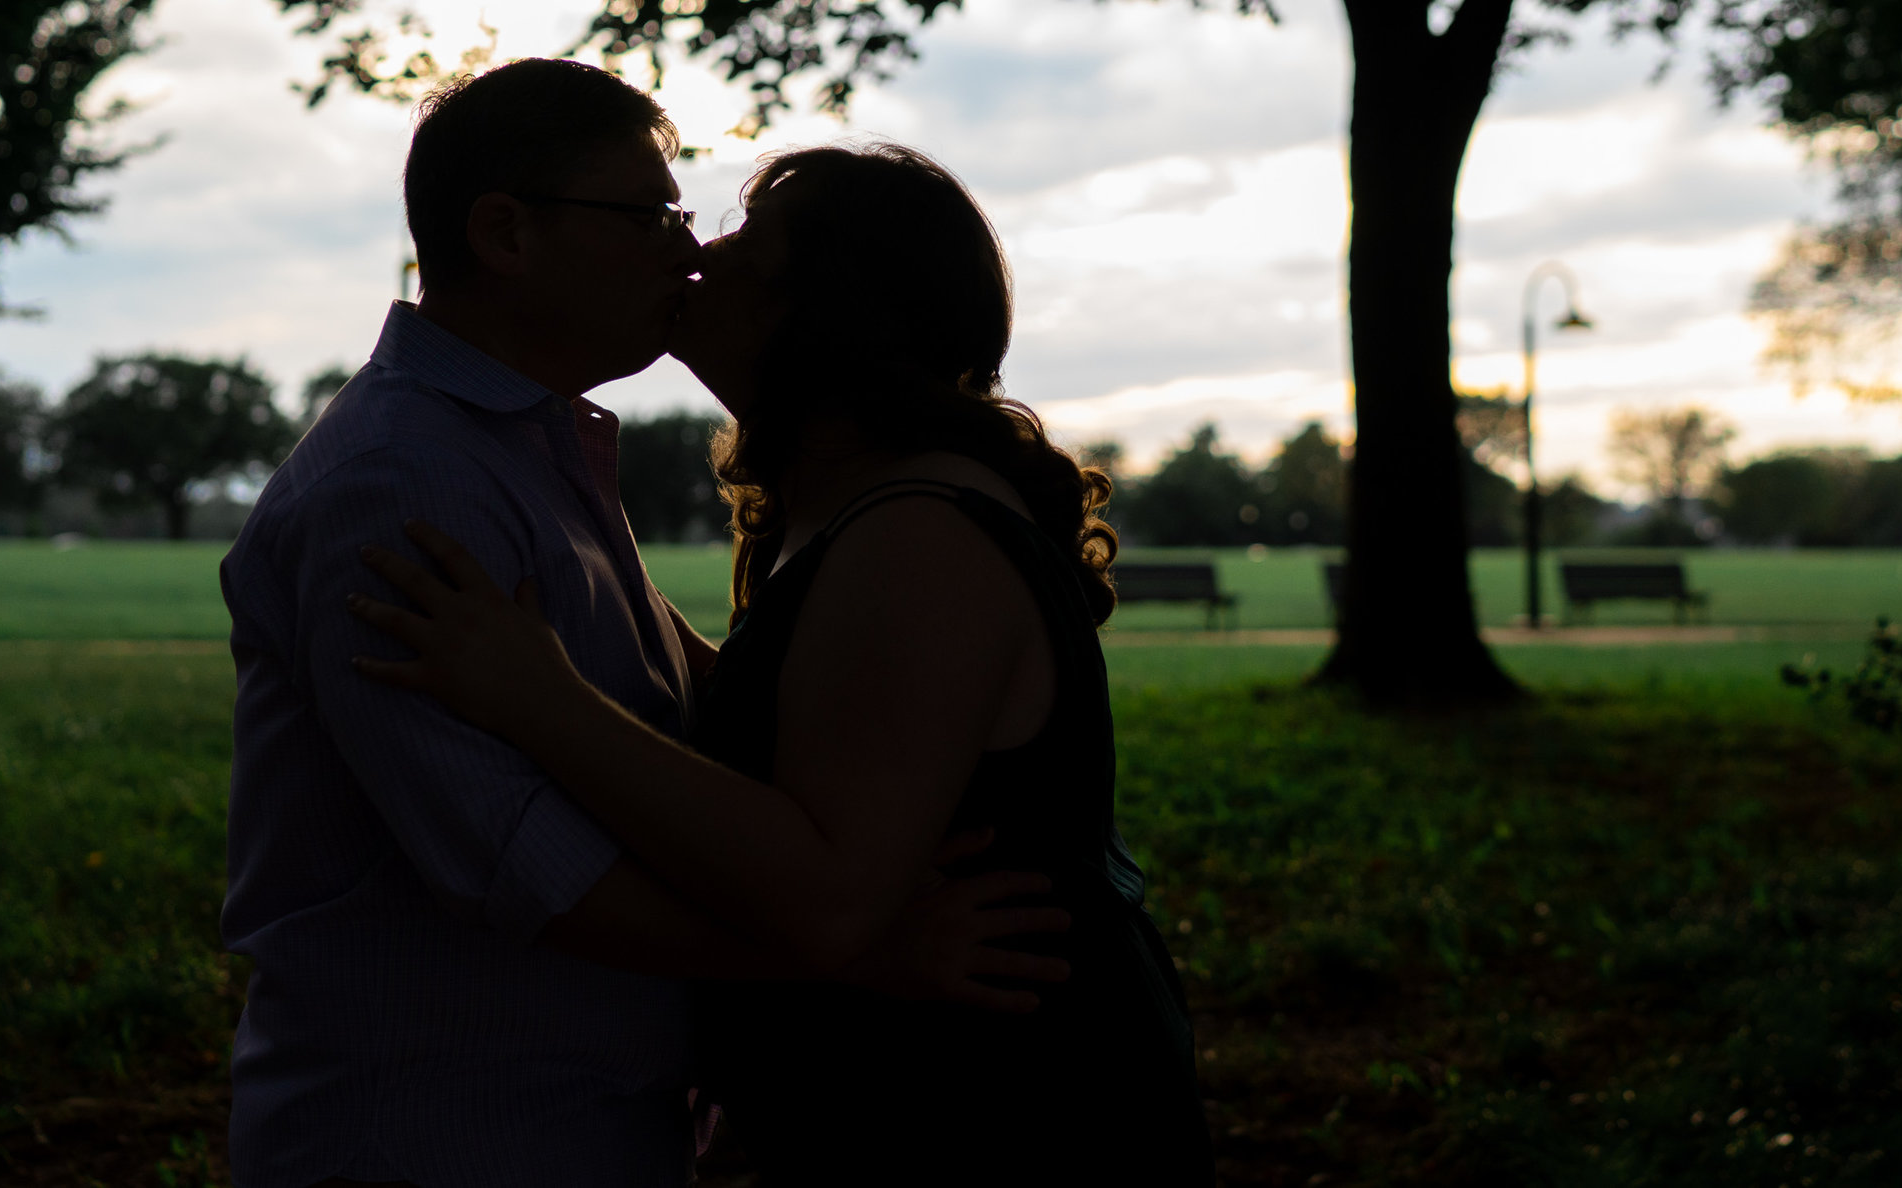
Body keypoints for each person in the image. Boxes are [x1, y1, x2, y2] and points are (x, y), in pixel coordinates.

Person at [221, 66, 1060, 1188]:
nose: (685, 253)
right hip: (442, 1132)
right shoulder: (400, 489)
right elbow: (527, 865)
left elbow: (690, 708)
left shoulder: (534, 448)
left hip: (566, 1122)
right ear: (506, 234)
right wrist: (849, 955)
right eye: (650, 216)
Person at [348, 143, 1216, 1186]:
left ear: (830, 318)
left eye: (745, 253)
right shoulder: (854, 509)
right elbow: (806, 720)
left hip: (1004, 1113)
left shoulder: (918, 535)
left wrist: (544, 701)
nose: (697, 255)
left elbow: (829, 896)